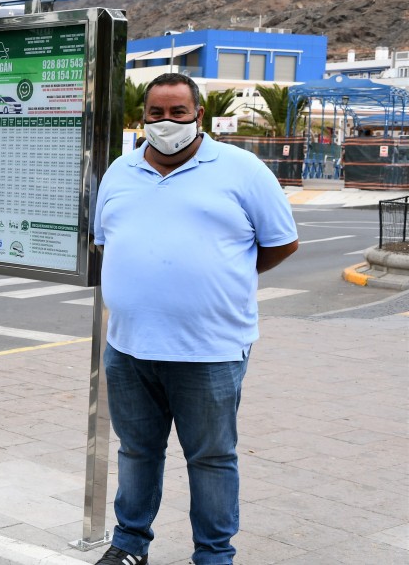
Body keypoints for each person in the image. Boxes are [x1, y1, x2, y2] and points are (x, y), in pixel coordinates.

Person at [92, 73, 299, 565]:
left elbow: (281, 242)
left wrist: (219, 279)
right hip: (128, 348)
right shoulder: (120, 172)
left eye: (178, 113)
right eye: (156, 113)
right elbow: (107, 242)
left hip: (209, 350)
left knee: (210, 458)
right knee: (136, 452)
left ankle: (213, 555)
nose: (166, 123)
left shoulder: (242, 170)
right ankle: (129, 546)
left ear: (198, 116)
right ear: (142, 118)